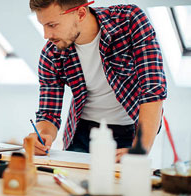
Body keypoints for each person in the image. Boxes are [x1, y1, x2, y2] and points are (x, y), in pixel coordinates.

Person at [23, 0, 167, 162]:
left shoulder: (129, 21)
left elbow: (152, 88)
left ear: (81, 14)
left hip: (130, 131)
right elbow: (49, 113)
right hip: (82, 133)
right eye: (43, 25)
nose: (46, 35)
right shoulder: (51, 55)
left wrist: (140, 147)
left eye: (52, 25)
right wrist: (43, 136)